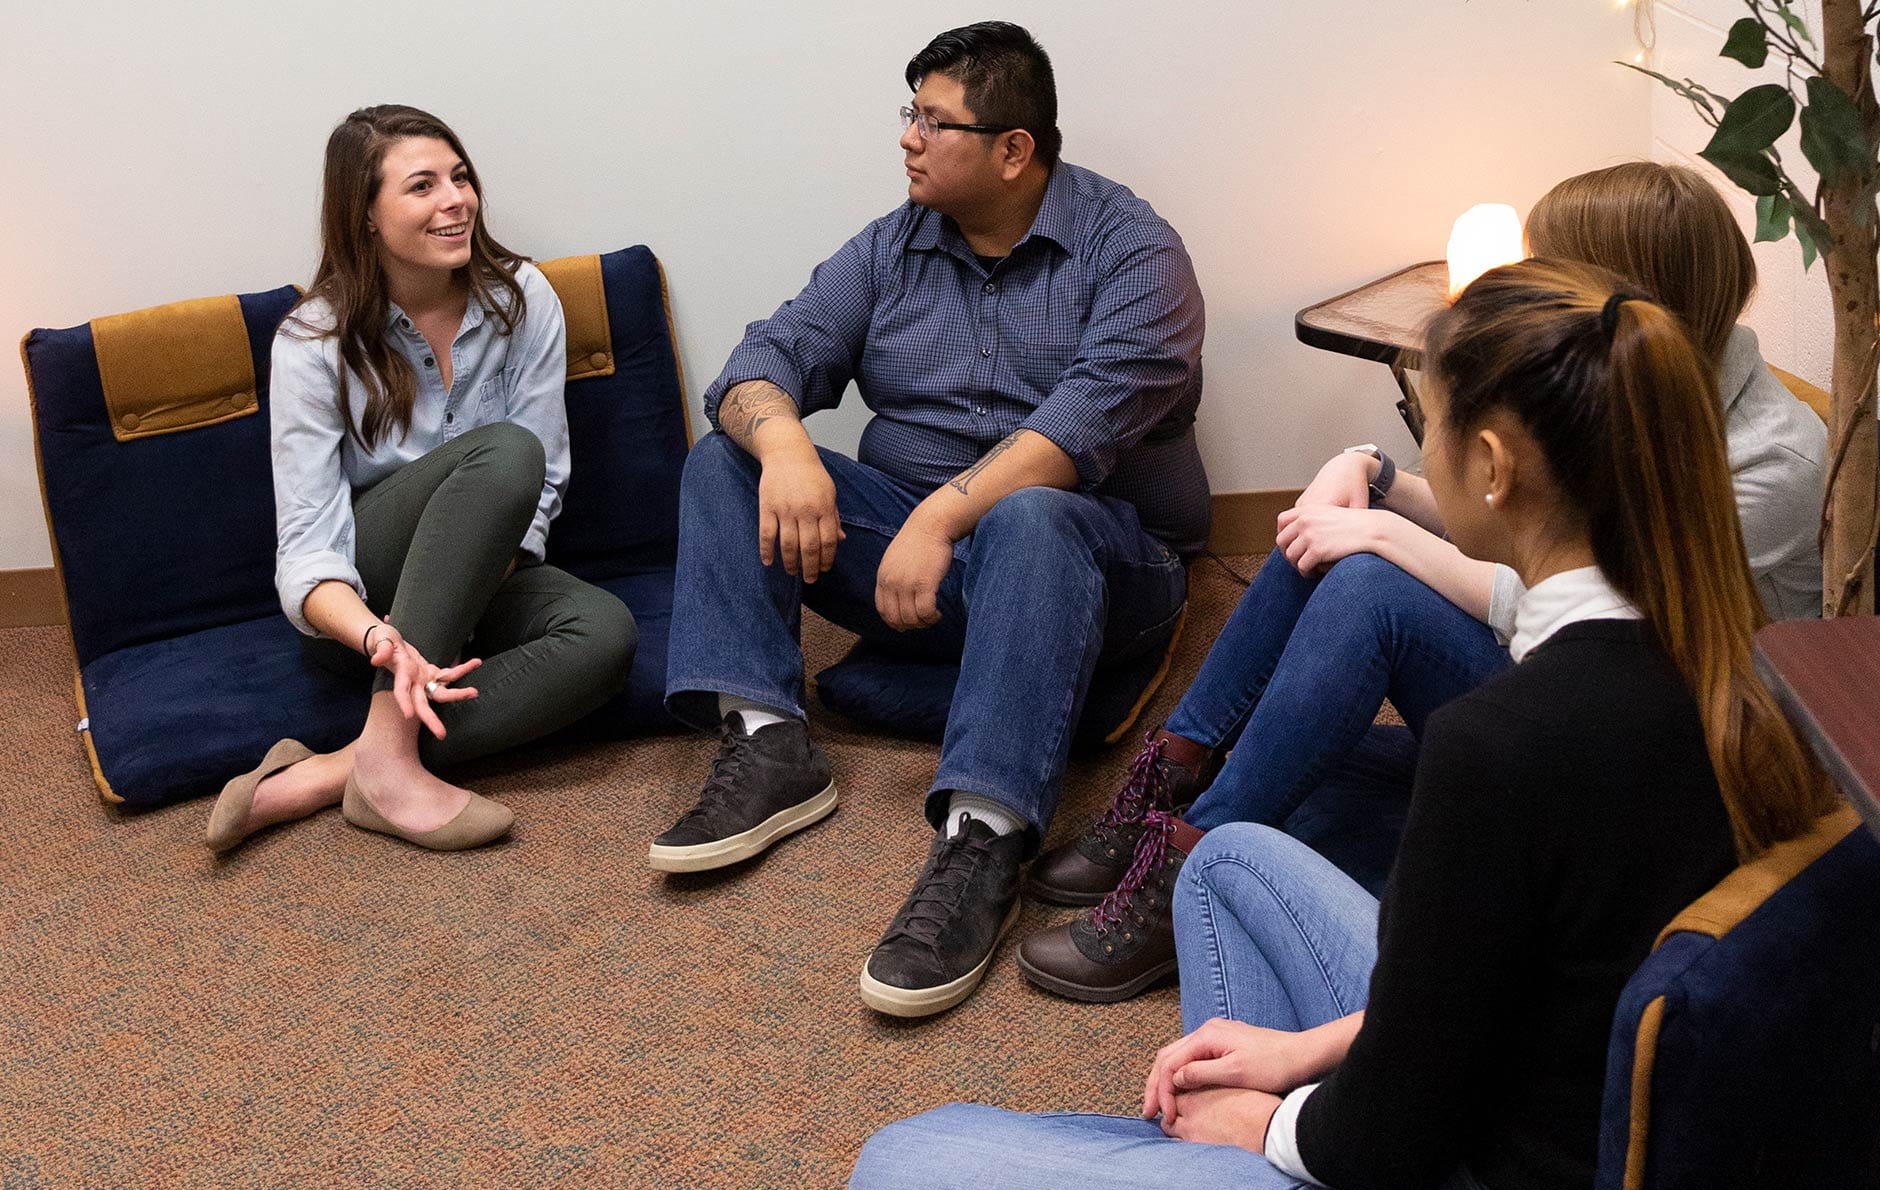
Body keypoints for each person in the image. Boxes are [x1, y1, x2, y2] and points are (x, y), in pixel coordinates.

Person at [848, 257, 1837, 1190]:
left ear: (1494, 465)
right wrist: (1302, 1056)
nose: (1416, 446)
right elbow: (1538, 988)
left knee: (904, 1169)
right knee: (1226, 861)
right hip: (1555, 1156)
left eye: (1425, 419)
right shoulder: (1743, 672)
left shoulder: (1506, 745)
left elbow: (1393, 1141)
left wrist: (1277, 1125)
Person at [1016, 160, 1829, 1003]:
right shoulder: (1629, 387)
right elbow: (1515, 523)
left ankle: (1183, 872)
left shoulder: (1768, 462)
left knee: (1365, 601)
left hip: (1657, 749)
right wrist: (1370, 474)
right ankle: (1177, 776)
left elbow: (1573, 616)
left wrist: (1379, 530)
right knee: (1304, 744)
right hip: (1575, 688)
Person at [652, 21, 1206, 1018]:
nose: (907, 137)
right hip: (924, 561)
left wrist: (944, 518)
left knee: (1032, 514)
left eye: (934, 120)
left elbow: (1077, 432)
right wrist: (781, 446)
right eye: (908, 112)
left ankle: (982, 836)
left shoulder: (1134, 254)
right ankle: (769, 738)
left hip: (1101, 561)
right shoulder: (888, 247)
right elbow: (758, 365)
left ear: (1012, 149)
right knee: (726, 462)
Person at [205, 105, 634, 855]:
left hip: (487, 571)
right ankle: (392, 764)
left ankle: (345, 766)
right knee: (502, 451)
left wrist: (467, 582)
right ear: (365, 216)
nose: (455, 200)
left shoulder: (523, 299)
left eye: (460, 177)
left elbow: (544, 481)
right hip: (366, 606)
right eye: (422, 186)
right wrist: (381, 638)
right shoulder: (314, 342)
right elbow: (307, 550)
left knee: (605, 635)